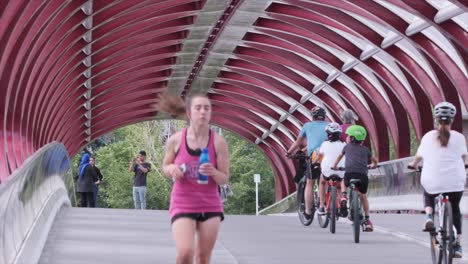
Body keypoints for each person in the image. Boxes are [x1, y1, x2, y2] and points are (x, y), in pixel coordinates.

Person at [161, 94, 230, 264]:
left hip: (210, 204)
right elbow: (165, 166)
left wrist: (213, 172)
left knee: (202, 258)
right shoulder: (176, 140)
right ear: (189, 112)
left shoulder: (219, 143)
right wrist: (172, 169)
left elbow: (224, 179)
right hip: (182, 202)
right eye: (198, 108)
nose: (203, 112)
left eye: (207, 108)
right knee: (185, 252)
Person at [408, 102, 467, 258]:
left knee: (428, 193)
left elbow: (417, 158)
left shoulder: (428, 137)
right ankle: (458, 245)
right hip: (455, 182)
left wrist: (412, 165)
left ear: (436, 119)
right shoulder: (459, 137)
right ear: (452, 120)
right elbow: (464, 158)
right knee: (455, 208)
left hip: (432, 181)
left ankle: (429, 216)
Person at [287, 106, 328, 225]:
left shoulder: (307, 126)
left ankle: (308, 211)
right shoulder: (329, 125)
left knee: (310, 182)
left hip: (316, 156)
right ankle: (324, 203)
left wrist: (289, 152)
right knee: (325, 179)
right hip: (329, 155)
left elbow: (298, 142)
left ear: (313, 116)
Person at [333, 125, 378, 231]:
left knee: (344, 180)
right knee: (363, 196)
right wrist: (374, 165)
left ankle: (344, 196)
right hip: (362, 176)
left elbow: (339, 157)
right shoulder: (366, 149)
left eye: (348, 136)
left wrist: (335, 166)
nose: (347, 138)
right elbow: (374, 160)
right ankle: (367, 220)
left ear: (352, 138)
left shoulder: (347, 147)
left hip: (350, 173)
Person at [315, 122, 347, 216]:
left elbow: (320, 158)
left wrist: (315, 163)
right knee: (339, 186)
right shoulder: (344, 144)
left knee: (322, 182)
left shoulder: (324, 144)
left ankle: (321, 206)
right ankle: (342, 201)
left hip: (327, 171)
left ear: (328, 134)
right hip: (340, 171)